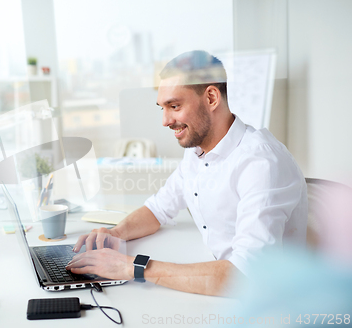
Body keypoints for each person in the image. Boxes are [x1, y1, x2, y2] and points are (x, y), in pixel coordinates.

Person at [65, 50, 308, 296]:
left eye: (174, 106)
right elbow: (158, 209)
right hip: (216, 281)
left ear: (211, 98)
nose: (165, 120)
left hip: (268, 302)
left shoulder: (260, 162)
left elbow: (244, 275)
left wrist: (132, 267)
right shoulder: (197, 151)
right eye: (162, 107)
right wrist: (115, 234)